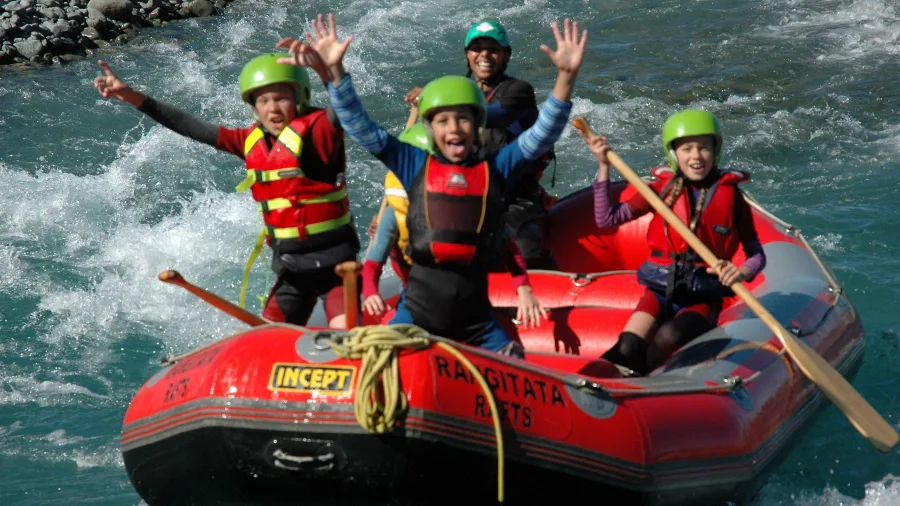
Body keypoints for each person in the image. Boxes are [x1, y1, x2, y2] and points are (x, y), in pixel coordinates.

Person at [277, 13, 585, 357]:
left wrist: (566, 77)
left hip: (476, 321)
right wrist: (334, 73)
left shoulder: (495, 170)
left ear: (477, 125)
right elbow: (361, 127)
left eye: (463, 119)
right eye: (443, 121)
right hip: (416, 312)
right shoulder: (413, 164)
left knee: (514, 360)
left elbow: (543, 134)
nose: (454, 128)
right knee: (381, 361)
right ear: (430, 129)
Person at [92, 51, 360, 329]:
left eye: (281, 98)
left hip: (337, 268)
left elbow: (346, 110)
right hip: (291, 270)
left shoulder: (320, 132)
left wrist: (334, 71)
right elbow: (190, 126)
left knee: (347, 340)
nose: (273, 108)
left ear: (300, 98)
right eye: (263, 101)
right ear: (254, 107)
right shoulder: (248, 141)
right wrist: (133, 97)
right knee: (267, 341)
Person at [585, 109, 767, 375]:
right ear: (674, 155)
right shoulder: (661, 190)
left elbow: (756, 254)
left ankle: (642, 386)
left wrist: (741, 272)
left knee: (668, 337)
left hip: (703, 294)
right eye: (687, 149)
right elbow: (606, 219)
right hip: (660, 288)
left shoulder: (732, 197)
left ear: (715, 151)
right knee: (626, 347)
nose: (696, 156)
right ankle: (598, 383)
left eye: (703, 148)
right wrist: (603, 166)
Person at [361, 122, 548, 330]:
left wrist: (523, 289)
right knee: (393, 338)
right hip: (418, 299)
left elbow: (509, 249)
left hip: (468, 298)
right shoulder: (395, 214)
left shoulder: (471, 205)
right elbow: (372, 265)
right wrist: (371, 294)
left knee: (506, 348)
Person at [405, 19, 557, 269]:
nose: (484, 55)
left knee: (527, 255)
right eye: (477, 48)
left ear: (505, 55)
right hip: (464, 192)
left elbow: (495, 115)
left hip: (514, 197)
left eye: (493, 49)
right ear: (467, 54)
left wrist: (436, 101)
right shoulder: (452, 91)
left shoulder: (519, 92)